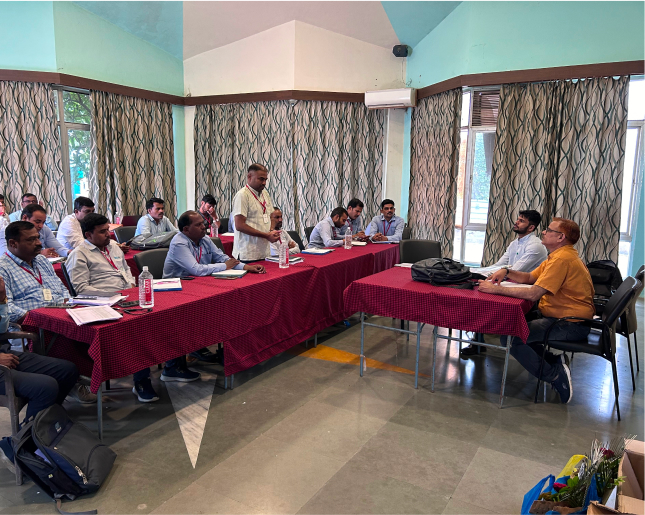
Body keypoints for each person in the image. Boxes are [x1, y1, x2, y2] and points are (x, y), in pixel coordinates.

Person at [478, 218, 595, 404]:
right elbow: (531, 277)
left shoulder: (562, 260)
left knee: (513, 338)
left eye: (549, 230)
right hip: (564, 318)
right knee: (519, 331)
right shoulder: (558, 255)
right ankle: (555, 362)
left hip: (570, 324)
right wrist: (506, 271)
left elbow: (533, 294)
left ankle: (555, 376)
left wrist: (495, 289)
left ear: (560, 237)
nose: (543, 232)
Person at [65, 213, 160, 402]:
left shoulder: (114, 248)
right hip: (102, 304)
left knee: (159, 317)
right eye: (102, 232)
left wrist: (131, 290)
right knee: (138, 329)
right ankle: (141, 381)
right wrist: (114, 295)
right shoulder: (79, 254)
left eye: (107, 230)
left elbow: (126, 272)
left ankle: (173, 366)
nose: (108, 235)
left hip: (126, 298)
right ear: (88, 235)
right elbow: (81, 289)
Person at [162, 211, 265, 381]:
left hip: (198, 286)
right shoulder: (179, 242)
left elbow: (224, 259)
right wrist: (223, 266)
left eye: (203, 223)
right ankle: (173, 366)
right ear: (186, 229)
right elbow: (196, 269)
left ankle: (197, 346)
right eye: (199, 225)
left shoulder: (204, 239)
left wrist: (246, 267)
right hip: (175, 291)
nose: (204, 226)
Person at [0, 221, 95, 403]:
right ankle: (70, 383)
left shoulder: (42, 260)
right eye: (31, 240)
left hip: (62, 314)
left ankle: (77, 380)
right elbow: (8, 308)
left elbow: (62, 288)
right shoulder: (3, 267)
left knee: (94, 330)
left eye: (37, 237)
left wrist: (69, 304)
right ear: (13, 244)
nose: (38, 243)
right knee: (70, 339)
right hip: (35, 324)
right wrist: (37, 318)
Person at [0, 273, 79, 472]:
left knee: (67, 370)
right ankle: (24, 450)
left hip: (4, 352)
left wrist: (2, 299)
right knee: (45, 386)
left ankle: (43, 432)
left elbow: (1, 329)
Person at [461, 210, 548, 357]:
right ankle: (478, 342)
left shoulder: (536, 246)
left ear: (531, 227)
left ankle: (484, 340)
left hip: (527, 292)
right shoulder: (515, 243)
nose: (516, 222)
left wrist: (492, 274)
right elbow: (499, 265)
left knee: (486, 295)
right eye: (518, 219)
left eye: (521, 221)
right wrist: (474, 271)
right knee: (480, 293)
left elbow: (515, 270)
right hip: (510, 283)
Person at [231, 164, 280, 261]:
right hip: (248, 253)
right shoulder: (243, 195)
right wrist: (266, 235)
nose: (264, 183)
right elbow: (239, 225)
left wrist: (271, 231)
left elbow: (271, 216)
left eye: (266, 179)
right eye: (261, 179)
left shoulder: (265, 194)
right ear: (249, 177)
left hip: (264, 252)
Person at [0, 205, 68, 257]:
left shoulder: (44, 229)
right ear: (25, 218)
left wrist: (70, 253)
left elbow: (58, 248)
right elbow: (5, 256)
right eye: (37, 222)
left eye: (43, 222)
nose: (41, 226)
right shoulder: (7, 230)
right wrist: (40, 253)